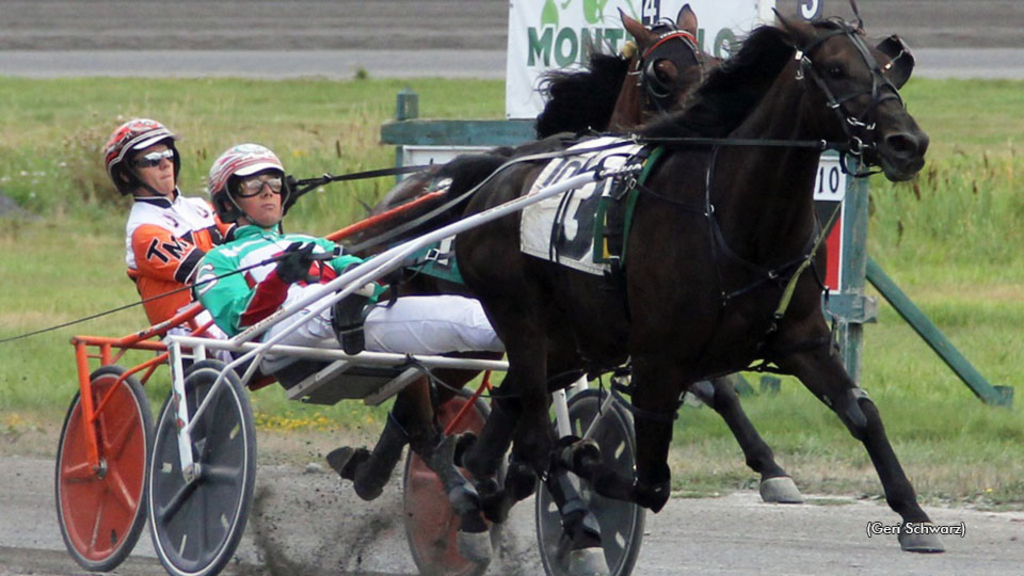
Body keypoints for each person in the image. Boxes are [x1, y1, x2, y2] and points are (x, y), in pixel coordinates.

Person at [194, 143, 504, 498]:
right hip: (277, 335)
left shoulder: (310, 242)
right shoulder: (216, 261)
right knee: (316, 302)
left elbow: (357, 273)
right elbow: (240, 322)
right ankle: (343, 309)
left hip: (352, 321)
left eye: (274, 183)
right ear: (227, 201)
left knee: (470, 318)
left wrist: (384, 280)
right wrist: (279, 280)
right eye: (251, 185)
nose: (267, 191)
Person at [103, 118, 235, 326]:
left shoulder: (200, 206)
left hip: (226, 312)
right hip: (190, 330)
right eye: (152, 159)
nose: (165, 164)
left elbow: (246, 238)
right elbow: (209, 269)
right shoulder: (143, 230)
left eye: (168, 155)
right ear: (126, 175)